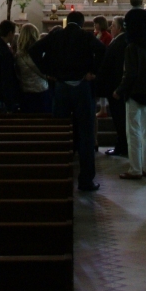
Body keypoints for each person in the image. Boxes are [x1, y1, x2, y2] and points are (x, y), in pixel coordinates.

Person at [29, 11, 105, 191]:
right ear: (81, 23)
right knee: (86, 134)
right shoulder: (85, 36)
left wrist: (48, 71)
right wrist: (92, 72)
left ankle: (58, 176)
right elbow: (103, 50)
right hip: (82, 88)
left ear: (67, 21)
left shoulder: (56, 35)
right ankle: (86, 180)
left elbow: (34, 50)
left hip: (62, 87)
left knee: (60, 131)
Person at [115, 7, 146, 179]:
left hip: (134, 92)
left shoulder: (132, 46)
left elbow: (130, 73)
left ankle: (135, 169)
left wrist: (119, 90)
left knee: (133, 131)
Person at [99, 16, 128, 156]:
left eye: (113, 25)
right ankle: (122, 145)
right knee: (119, 119)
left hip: (116, 87)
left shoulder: (120, 42)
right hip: (117, 86)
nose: (111, 28)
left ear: (120, 28)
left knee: (120, 119)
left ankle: (122, 147)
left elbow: (111, 64)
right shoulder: (122, 40)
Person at [15, 22, 52, 112]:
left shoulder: (17, 55)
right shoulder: (40, 53)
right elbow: (46, 72)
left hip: (25, 91)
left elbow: (17, 74)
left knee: (27, 122)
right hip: (42, 90)